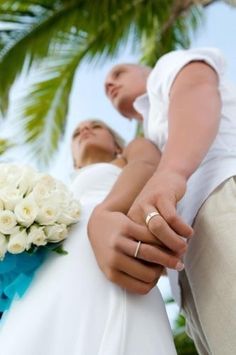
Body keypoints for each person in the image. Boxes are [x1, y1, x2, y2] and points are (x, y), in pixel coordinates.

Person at [88, 48, 236, 355]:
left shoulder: (167, 68)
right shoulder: (150, 135)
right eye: (105, 88)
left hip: (223, 199)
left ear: (145, 70)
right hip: (188, 274)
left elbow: (196, 88)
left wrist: (171, 172)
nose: (110, 85)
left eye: (118, 74)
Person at [0, 119, 177, 355]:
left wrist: (108, 211)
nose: (85, 130)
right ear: (74, 161)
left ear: (116, 145)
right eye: (76, 133)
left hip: (106, 244)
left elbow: (148, 164)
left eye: (96, 126)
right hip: (50, 260)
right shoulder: (54, 190)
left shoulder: (132, 151)